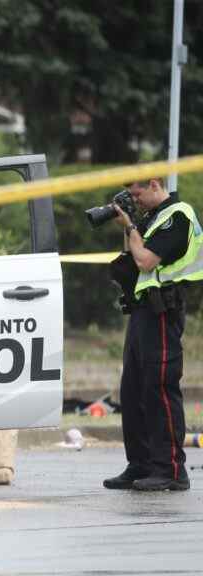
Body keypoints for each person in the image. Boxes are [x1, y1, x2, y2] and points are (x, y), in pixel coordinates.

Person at [103, 177, 202, 491]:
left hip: (163, 310)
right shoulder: (152, 220)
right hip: (142, 311)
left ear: (155, 184)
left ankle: (171, 469)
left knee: (159, 387)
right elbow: (132, 259)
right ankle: (141, 464)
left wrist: (131, 226)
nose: (136, 201)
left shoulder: (177, 215)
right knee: (133, 390)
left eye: (137, 194)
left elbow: (145, 260)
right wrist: (129, 226)